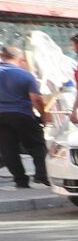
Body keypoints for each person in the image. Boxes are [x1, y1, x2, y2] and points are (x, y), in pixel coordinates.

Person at [0, 45, 49, 189]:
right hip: (22, 114)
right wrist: (44, 114)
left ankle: (20, 180)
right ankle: (41, 177)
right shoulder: (25, 75)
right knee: (37, 146)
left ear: (2, 56)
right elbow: (36, 99)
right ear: (19, 59)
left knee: (8, 150)